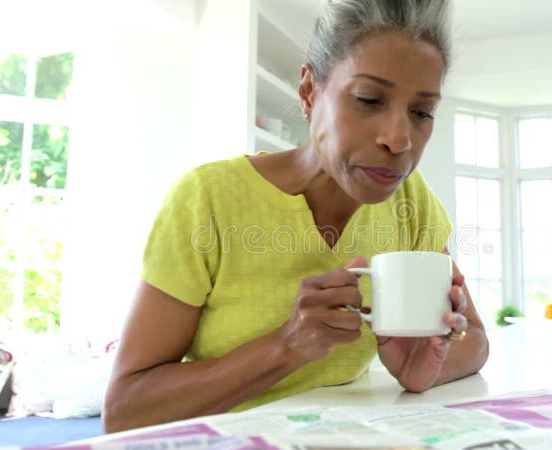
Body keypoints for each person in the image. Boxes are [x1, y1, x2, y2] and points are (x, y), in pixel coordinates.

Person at [102, 0, 489, 433]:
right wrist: (286, 347)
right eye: (368, 99)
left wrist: (426, 366)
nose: (399, 140)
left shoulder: (412, 203)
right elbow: (125, 409)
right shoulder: (207, 199)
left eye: (422, 112)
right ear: (309, 92)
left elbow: (474, 339)